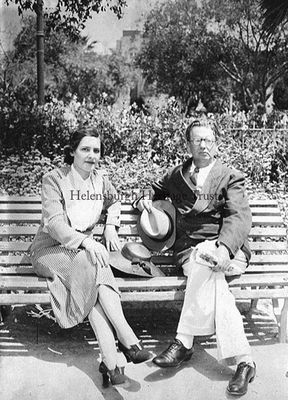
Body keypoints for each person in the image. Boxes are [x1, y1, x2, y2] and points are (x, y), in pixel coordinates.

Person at [135, 119, 256, 396]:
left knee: (208, 259)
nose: (204, 144)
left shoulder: (229, 176)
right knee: (207, 266)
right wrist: (144, 198)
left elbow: (239, 217)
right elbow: (153, 188)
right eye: (198, 140)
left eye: (209, 139)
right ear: (188, 145)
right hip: (191, 252)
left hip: (229, 251)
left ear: (216, 143)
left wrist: (224, 249)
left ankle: (184, 342)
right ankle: (244, 362)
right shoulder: (177, 175)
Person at [30, 126, 152, 387]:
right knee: (92, 259)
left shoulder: (100, 180)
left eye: (96, 150)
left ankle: (110, 360)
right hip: (49, 251)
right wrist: (87, 241)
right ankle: (128, 339)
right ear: (72, 151)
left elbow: (116, 201)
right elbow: (54, 224)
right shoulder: (54, 179)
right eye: (85, 149)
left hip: (82, 254)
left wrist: (110, 226)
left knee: (93, 264)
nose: (92, 155)